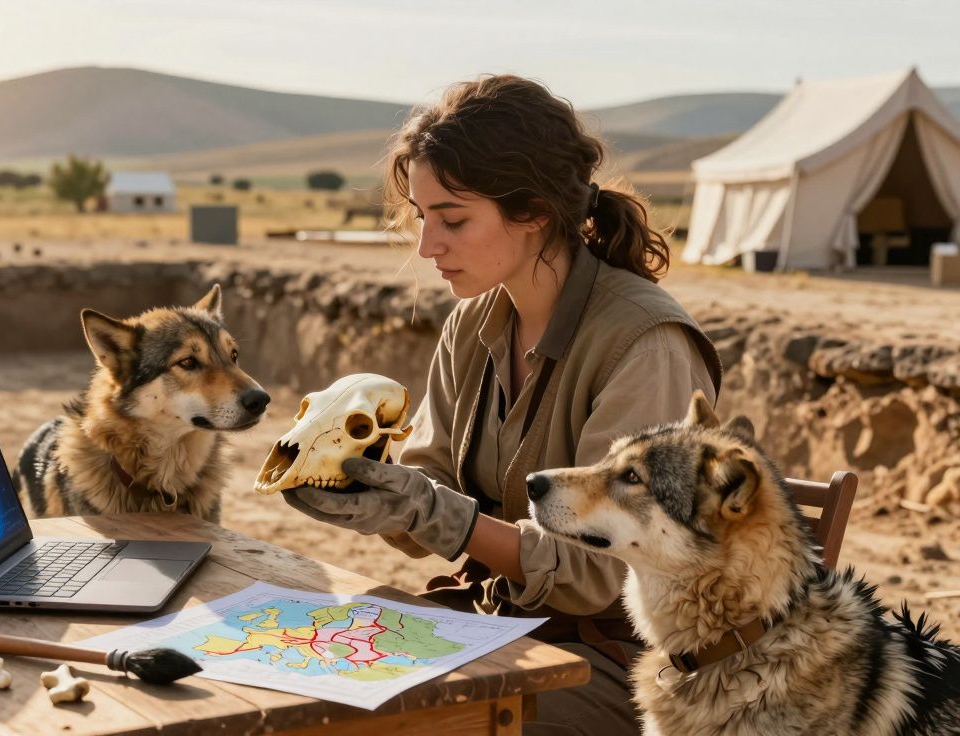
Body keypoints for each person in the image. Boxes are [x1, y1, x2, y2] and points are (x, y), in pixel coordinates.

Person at [282, 75, 722, 736]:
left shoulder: (647, 345)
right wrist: (370, 491)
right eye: (424, 217)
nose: (428, 246)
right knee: (310, 679)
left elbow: (590, 573)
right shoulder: (473, 325)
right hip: (504, 630)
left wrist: (436, 515)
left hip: (629, 664)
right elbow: (430, 484)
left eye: (453, 219)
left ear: (536, 211)